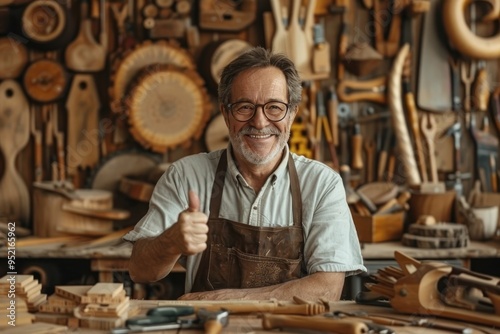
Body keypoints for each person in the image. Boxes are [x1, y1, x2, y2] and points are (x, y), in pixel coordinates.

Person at [123, 46, 367, 301]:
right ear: (227, 114)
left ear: (292, 114)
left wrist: (226, 301)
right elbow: (141, 271)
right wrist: (170, 242)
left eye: (274, 107)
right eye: (244, 107)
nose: (259, 122)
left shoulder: (321, 184)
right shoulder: (186, 176)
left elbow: (327, 289)